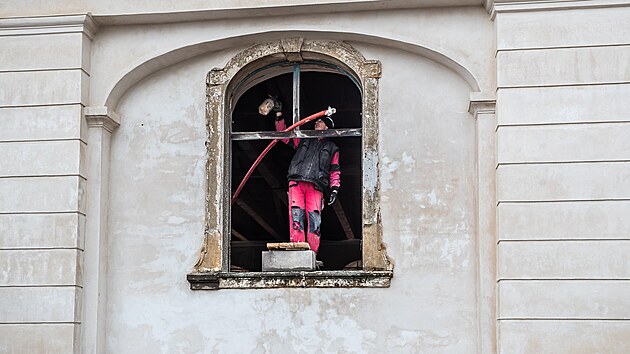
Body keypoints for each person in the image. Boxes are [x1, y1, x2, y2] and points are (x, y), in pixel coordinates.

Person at [260, 97, 341, 255]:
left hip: (316, 185)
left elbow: (335, 170)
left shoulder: (332, 148)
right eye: (316, 121)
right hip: (296, 182)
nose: (316, 123)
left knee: (314, 219)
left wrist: (335, 189)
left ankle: (312, 254)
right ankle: (297, 251)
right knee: (296, 216)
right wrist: (279, 115)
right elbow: (284, 136)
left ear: (327, 126)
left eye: (320, 121)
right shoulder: (304, 140)